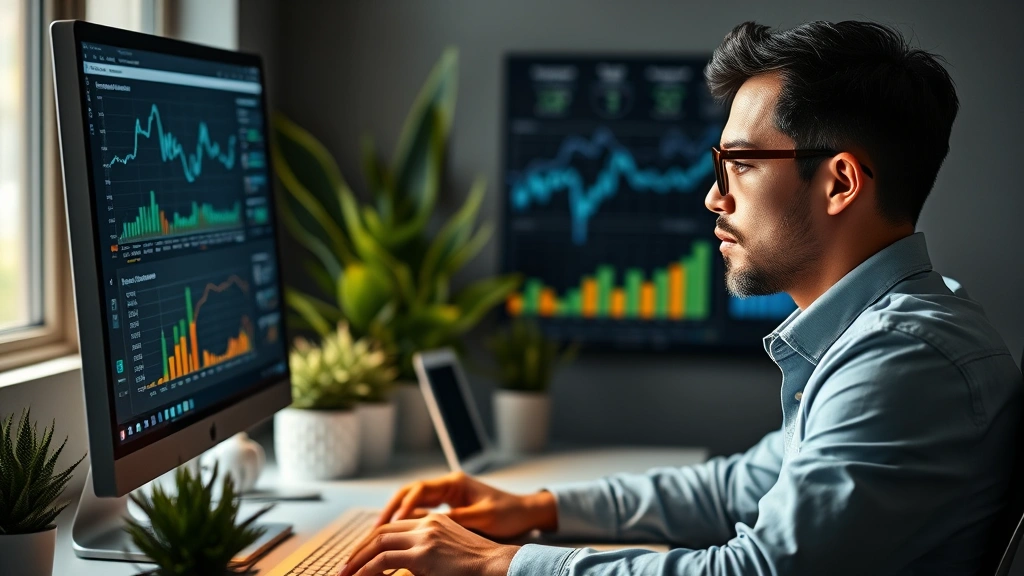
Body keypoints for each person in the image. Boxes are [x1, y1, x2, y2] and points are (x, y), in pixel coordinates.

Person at [337, 20, 1023, 576]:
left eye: (743, 165)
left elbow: (755, 572)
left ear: (840, 182)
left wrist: (504, 565)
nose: (712, 196)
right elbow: (736, 488)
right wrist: (534, 508)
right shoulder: (881, 337)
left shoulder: (905, 359)